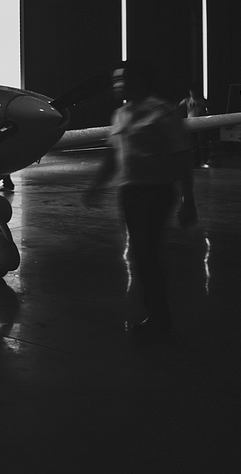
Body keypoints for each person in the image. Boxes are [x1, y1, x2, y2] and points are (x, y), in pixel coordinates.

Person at [86, 62, 196, 337]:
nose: (117, 85)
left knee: (147, 253)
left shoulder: (162, 111)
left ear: (140, 82)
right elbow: (113, 155)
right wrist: (96, 187)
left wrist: (188, 200)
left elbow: (182, 156)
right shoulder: (120, 114)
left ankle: (160, 317)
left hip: (156, 192)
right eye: (115, 81)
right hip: (129, 194)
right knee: (142, 253)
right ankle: (155, 312)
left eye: (122, 80)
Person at [178, 88, 209, 166]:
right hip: (191, 124)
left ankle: (205, 160)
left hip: (201, 124)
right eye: (191, 92)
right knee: (193, 143)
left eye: (194, 91)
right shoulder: (187, 101)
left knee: (202, 142)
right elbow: (178, 109)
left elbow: (209, 110)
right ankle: (196, 161)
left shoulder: (203, 101)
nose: (192, 93)